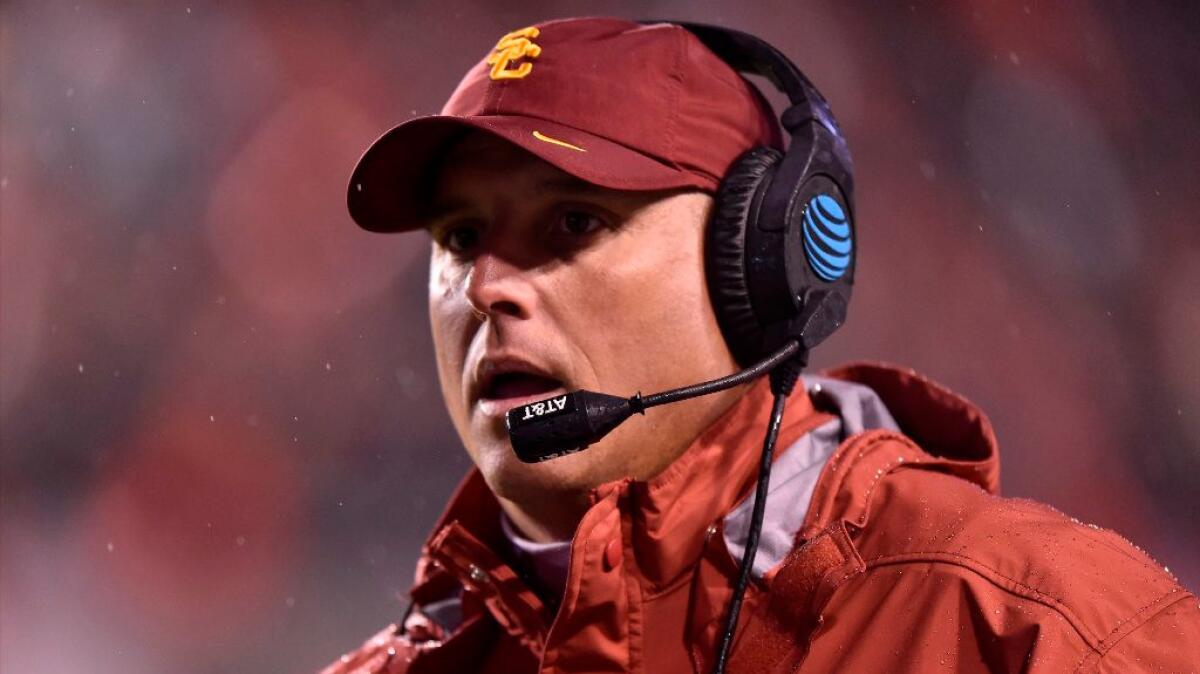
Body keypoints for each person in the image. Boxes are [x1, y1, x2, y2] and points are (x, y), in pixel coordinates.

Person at [322, 16, 1199, 674]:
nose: (485, 288)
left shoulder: (1034, 627)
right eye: (463, 238)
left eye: (573, 221)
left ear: (760, 264)